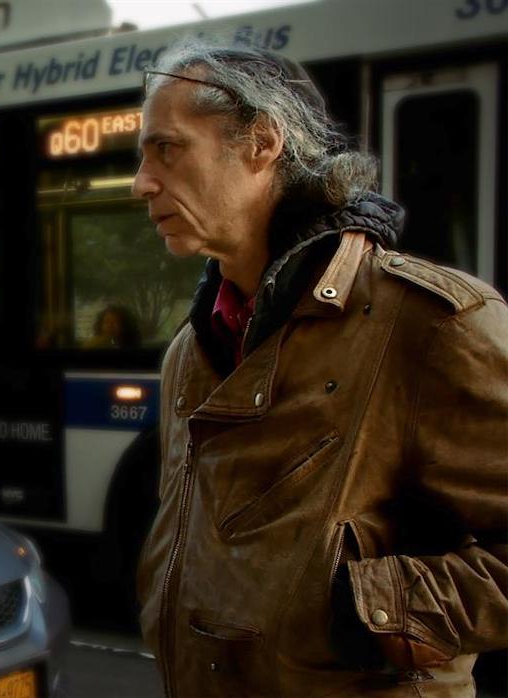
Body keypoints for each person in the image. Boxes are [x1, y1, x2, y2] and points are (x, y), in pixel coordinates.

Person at [132, 40, 507, 696]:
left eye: (167, 148)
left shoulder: (427, 323)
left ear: (261, 143)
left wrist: (371, 610)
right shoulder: (188, 355)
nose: (142, 182)